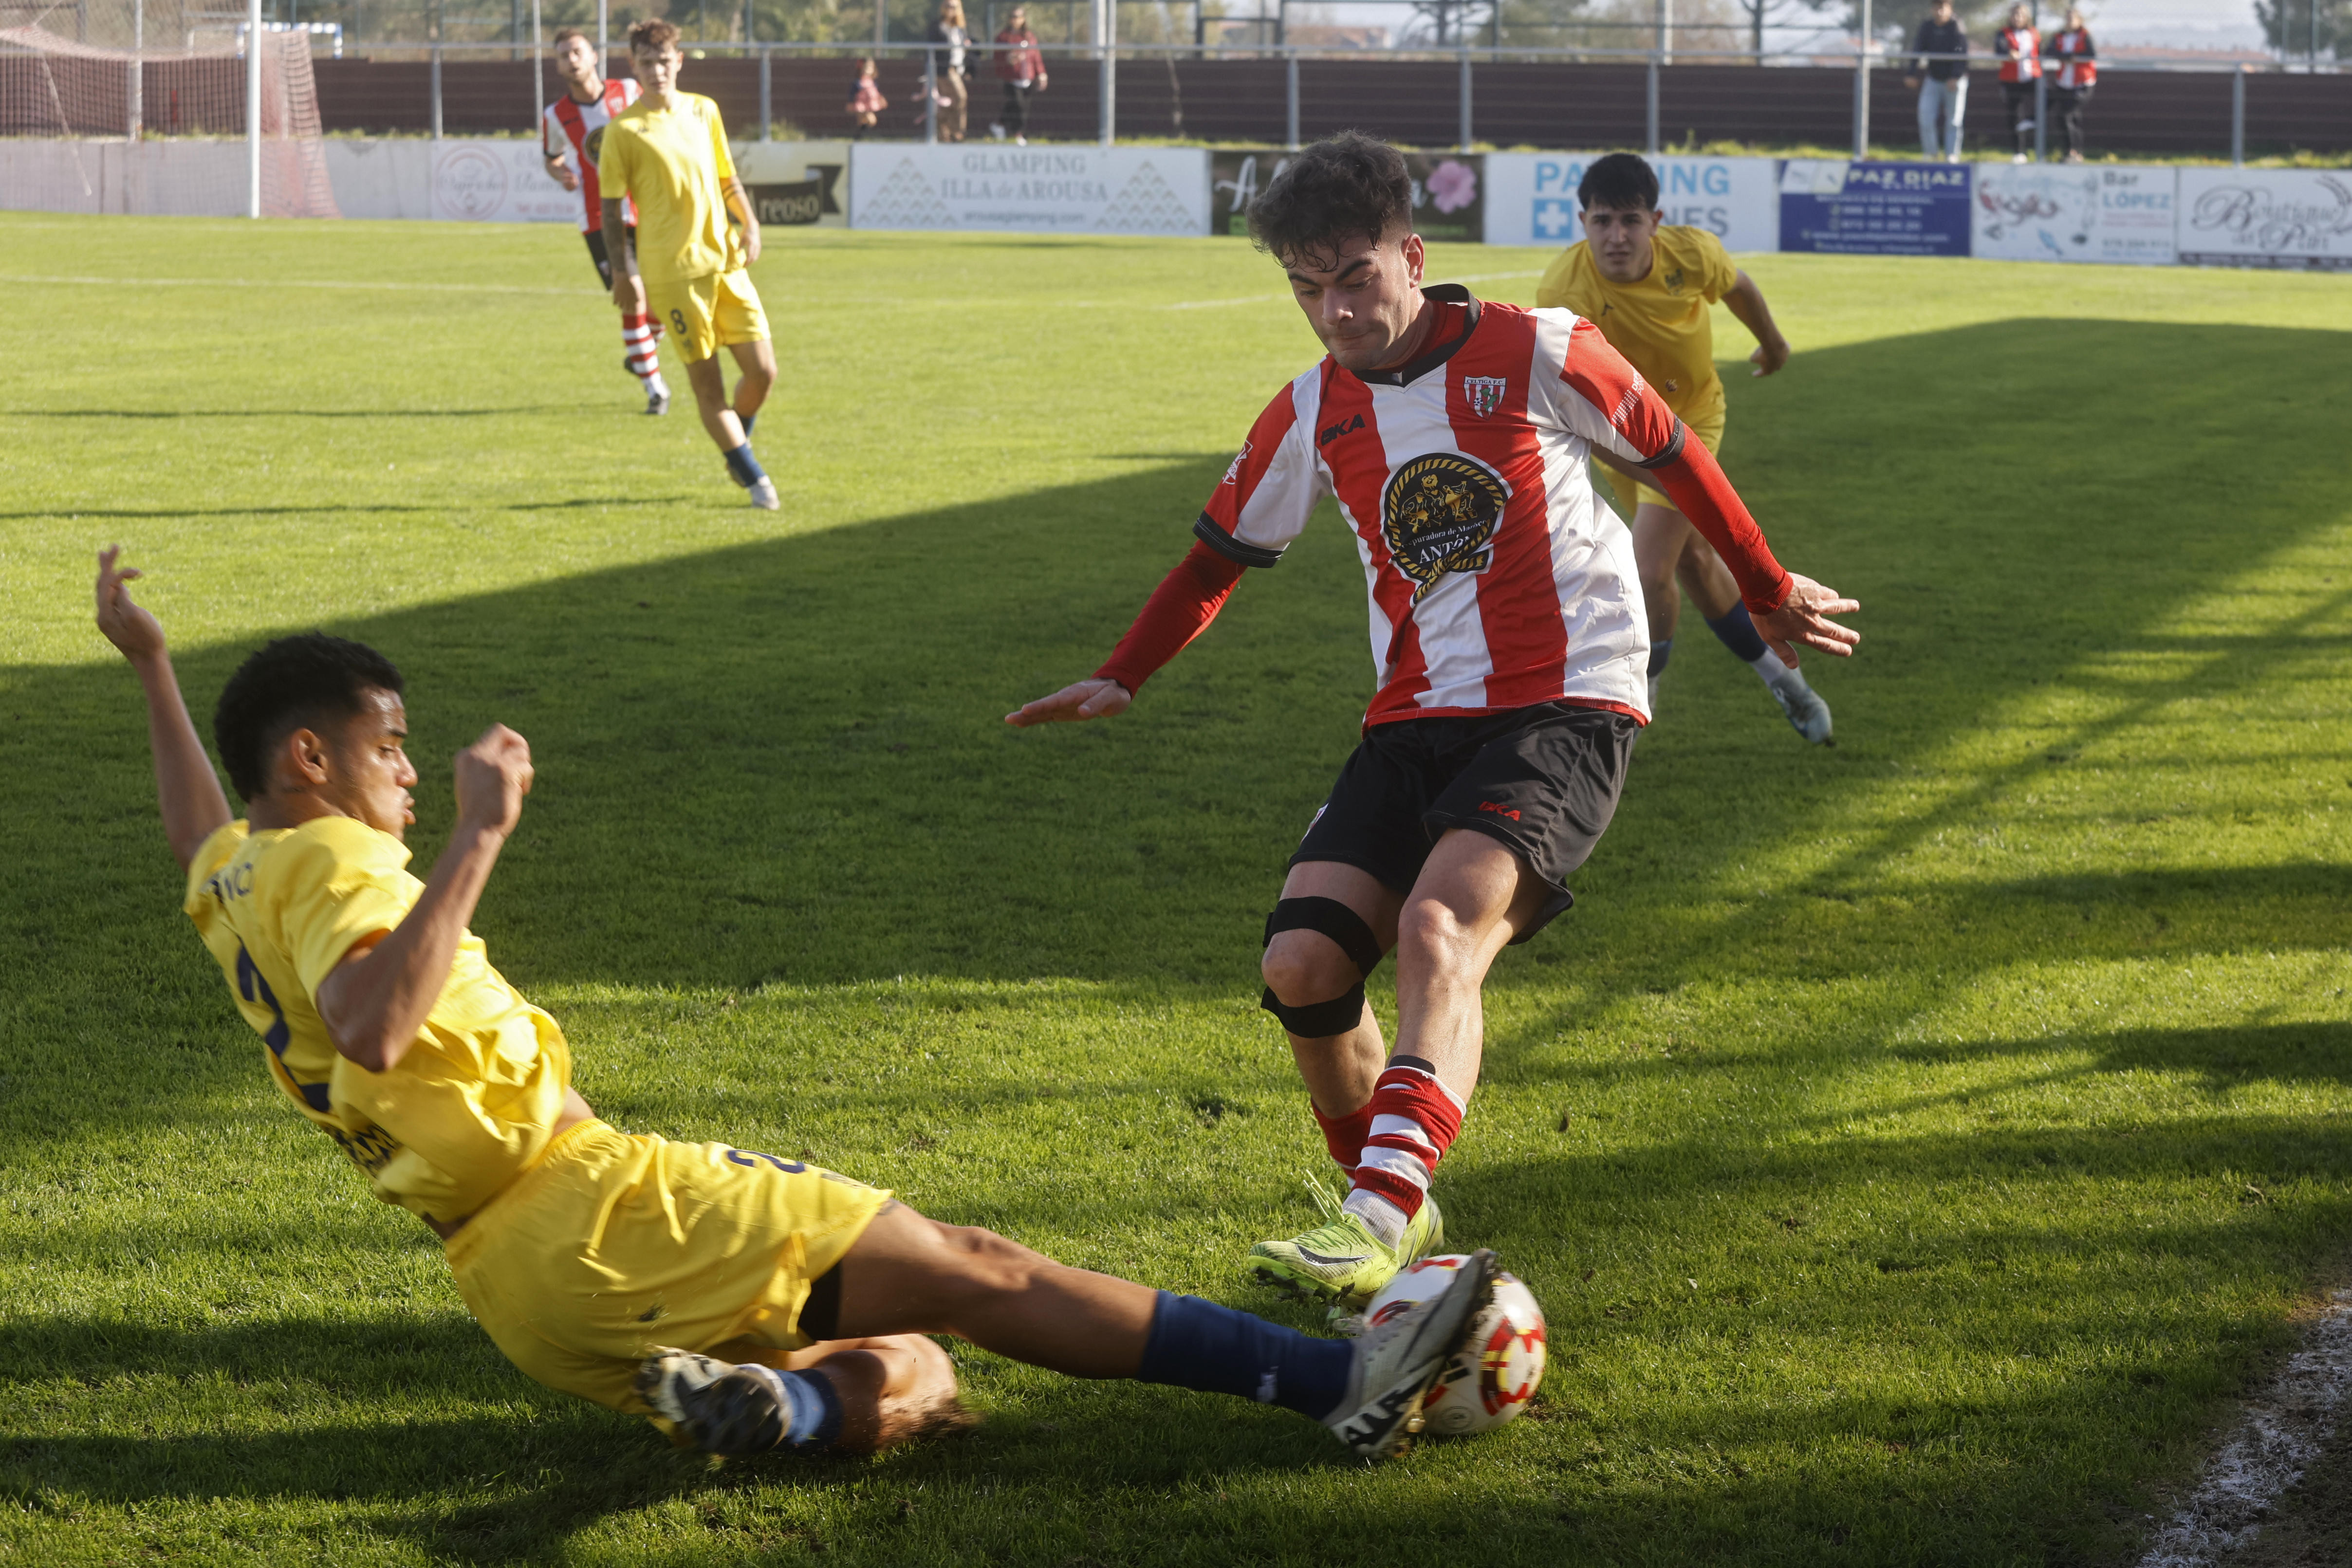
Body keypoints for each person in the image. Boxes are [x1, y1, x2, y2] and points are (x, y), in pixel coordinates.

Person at [90, 544, 1505, 1463]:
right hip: (589, 1196)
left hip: (513, 1289)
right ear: (309, 757)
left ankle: (794, 1401)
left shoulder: (241, 868)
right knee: (974, 1262)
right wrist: (479, 832)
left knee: (916, 1367)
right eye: (386, 745)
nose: (405, 768)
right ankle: (1334, 1380)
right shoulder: (344, 855)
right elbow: (374, 1020)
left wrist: (150, 660)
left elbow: (187, 827)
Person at [1006, 135, 1859, 1308]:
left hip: (1566, 700)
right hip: (1413, 716)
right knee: (1301, 965)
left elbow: (1674, 457)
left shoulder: (1538, 347)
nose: (1334, 312)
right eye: (1307, 289)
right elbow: (1218, 559)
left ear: (1411, 255)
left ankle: (1377, 1209)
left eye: (1353, 278)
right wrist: (1126, 673)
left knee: (1440, 927)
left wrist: (1765, 585)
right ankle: (1388, 1207)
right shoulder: (1312, 408)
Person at [1535, 153, 1831, 744]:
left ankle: (1643, 694)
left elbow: (1737, 286)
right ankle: (1787, 684)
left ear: (1655, 220)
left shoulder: (1690, 252)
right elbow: (1568, 400)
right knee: (1692, 561)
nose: (1616, 237)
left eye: (1629, 220)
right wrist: (1647, 467)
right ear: (1582, 222)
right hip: (1620, 434)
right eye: (1601, 222)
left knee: (1648, 568)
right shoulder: (1563, 291)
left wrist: (1772, 344)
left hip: (1693, 418)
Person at [597, 19, 778, 511]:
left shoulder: (705, 110)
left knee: (763, 373)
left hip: (725, 263)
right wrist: (623, 270)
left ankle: (734, 443)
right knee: (708, 385)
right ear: (632, 67)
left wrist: (751, 223)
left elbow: (727, 177)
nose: (657, 71)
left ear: (679, 61)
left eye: (664, 61)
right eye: (647, 63)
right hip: (672, 274)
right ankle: (754, 477)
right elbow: (611, 210)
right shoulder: (623, 131)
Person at [538, 26, 668, 416]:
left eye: (577, 51)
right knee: (633, 299)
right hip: (599, 220)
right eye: (563, 55)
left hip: (648, 208)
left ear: (594, 56)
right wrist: (558, 173)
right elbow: (551, 157)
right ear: (558, 65)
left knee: (659, 303)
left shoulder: (627, 91)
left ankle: (642, 354)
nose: (571, 60)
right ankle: (655, 388)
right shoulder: (555, 115)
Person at [1906, 0, 1970, 164]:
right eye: (1936, 8)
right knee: (1925, 116)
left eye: (1943, 8)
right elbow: (1918, 49)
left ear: (1950, 9)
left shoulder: (1957, 27)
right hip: (1933, 79)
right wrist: (1911, 73)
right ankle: (1931, 153)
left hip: (1955, 81)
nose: (1940, 12)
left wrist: (1955, 76)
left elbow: (1961, 52)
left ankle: (1952, 155)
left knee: (1954, 120)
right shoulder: (1927, 27)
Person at [1992, 4, 2042, 163]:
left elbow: (2042, 51)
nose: (2018, 18)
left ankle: (2032, 120)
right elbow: (1999, 49)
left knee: (2049, 98)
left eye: (2021, 15)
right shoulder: (2004, 33)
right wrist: (2009, 53)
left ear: (2026, 17)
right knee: (2014, 115)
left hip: (2032, 76)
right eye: (2015, 15)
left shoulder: (2033, 33)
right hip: (2011, 79)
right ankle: (2019, 152)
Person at [990, 6, 1046, 146]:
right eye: (1013, 17)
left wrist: (1042, 73)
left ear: (1023, 19)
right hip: (1010, 78)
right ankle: (1017, 133)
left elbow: (1036, 57)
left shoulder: (1029, 37)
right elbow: (997, 57)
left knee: (1021, 107)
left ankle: (999, 125)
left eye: (1018, 17)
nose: (1015, 20)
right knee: (1018, 105)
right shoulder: (1003, 37)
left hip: (1027, 78)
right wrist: (1008, 58)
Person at [2047, 8, 2095, 164]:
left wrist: (2075, 58)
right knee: (2072, 119)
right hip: (2064, 83)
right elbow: (2049, 51)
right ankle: (2075, 153)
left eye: (2072, 19)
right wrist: (2066, 57)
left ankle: (2072, 152)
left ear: (2079, 21)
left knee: (2065, 115)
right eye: (2067, 19)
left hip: (2082, 83)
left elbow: (2091, 54)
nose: (2069, 22)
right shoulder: (2059, 36)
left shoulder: (2085, 35)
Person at [930, 1, 972, 142]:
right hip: (945, 69)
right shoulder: (938, 26)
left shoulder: (960, 28)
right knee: (961, 97)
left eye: (953, 7)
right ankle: (957, 132)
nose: (950, 9)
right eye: (947, 6)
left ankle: (944, 134)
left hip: (958, 68)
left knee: (948, 103)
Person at [845, 57, 887, 139]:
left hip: (870, 104)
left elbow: (877, 93)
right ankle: (859, 135)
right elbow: (852, 93)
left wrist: (881, 99)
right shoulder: (858, 82)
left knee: (871, 121)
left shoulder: (872, 82)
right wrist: (850, 103)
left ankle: (860, 134)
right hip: (861, 105)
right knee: (864, 119)